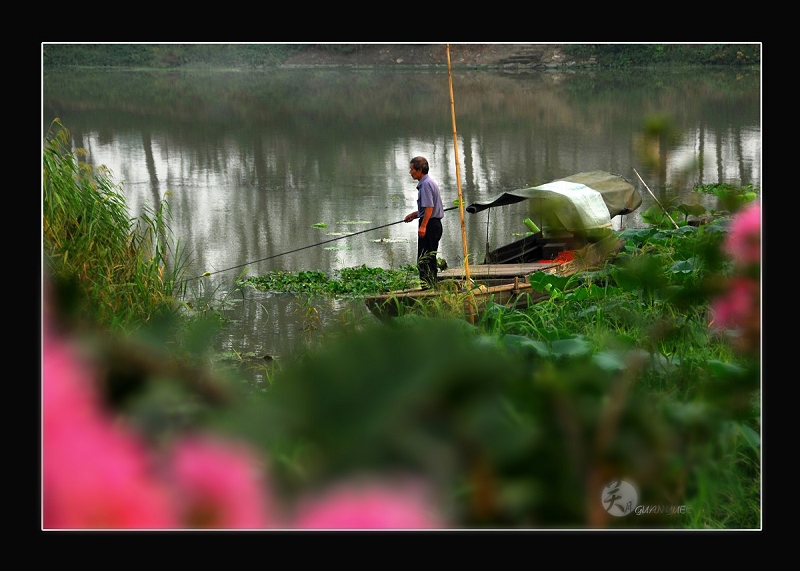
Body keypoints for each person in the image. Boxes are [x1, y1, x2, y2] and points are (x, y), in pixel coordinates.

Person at [404, 156, 444, 289]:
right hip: (433, 223)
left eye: (412, 169)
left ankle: (428, 289)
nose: (410, 172)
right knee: (429, 258)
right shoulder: (428, 182)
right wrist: (414, 215)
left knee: (424, 260)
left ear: (419, 169)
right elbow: (427, 208)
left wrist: (423, 226)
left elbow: (429, 208)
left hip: (430, 225)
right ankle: (432, 287)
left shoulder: (425, 184)